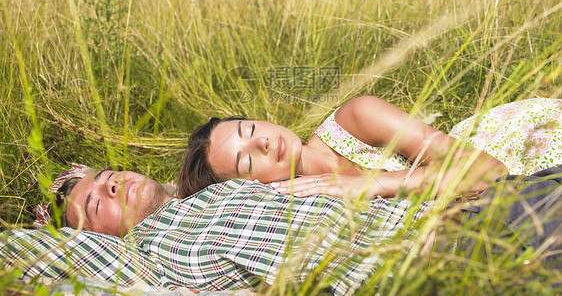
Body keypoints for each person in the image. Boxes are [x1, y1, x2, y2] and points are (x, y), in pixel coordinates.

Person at [2, 165, 562, 294]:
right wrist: (57, 238)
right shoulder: (151, 257)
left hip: (483, 207)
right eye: (93, 203)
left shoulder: (225, 186)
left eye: (105, 176)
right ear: (94, 239)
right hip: (440, 266)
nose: (110, 188)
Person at [178, 96, 562, 198]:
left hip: (522, 147)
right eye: (247, 161)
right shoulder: (296, 208)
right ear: (249, 187)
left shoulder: (356, 119)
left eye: (250, 128)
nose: (263, 141)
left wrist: (374, 184)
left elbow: (489, 172)